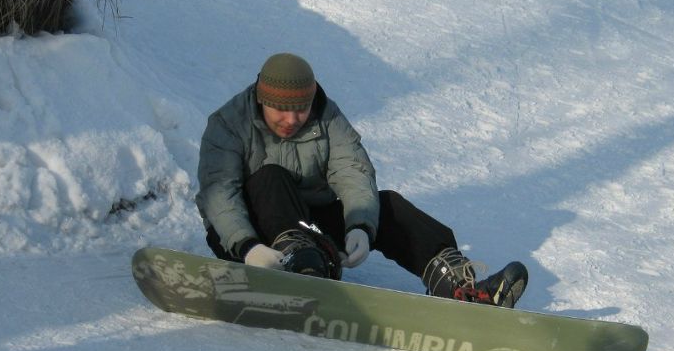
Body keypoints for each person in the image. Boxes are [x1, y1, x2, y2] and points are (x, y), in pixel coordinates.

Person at [195, 52, 528, 308]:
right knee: (268, 177)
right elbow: (218, 193)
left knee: (388, 205)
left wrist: (360, 226)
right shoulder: (228, 123)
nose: (292, 119)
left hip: (311, 231)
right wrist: (248, 246)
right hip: (250, 236)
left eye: (301, 109)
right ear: (263, 100)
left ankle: (458, 285)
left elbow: (353, 170)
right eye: (282, 109)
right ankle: (295, 259)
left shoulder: (327, 116)